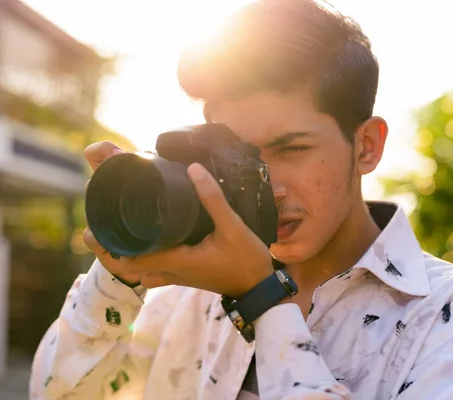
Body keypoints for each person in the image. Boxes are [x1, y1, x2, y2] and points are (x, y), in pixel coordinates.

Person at [29, 0, 453, 399]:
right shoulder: (189, 296)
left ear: (365, 146)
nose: (267, 186)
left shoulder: (437, 315)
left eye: (291, 150)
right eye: (239, 156)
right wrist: (117, 275)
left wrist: (261, 300)